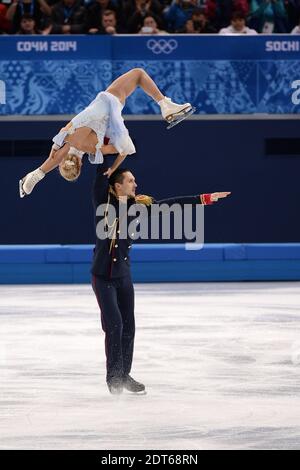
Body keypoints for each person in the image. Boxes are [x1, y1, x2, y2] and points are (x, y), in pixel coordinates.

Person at [92, 163, 231, 394]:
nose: (135, 184)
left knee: (129, 327)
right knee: (114, 326)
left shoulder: (139, 206)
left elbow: (171, 204)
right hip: (102, 277)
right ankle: (114, 379)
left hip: (123, 275)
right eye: (130, 181)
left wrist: (203, 199)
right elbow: (100, 173)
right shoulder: (103, 203)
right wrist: (113, 148)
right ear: (118, 186)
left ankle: (124, 375)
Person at [19, 68, 195, 197]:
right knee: (139, 73)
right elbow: (62, 141)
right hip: (98, 109)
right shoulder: (70, 141)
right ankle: (165, 105)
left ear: (81, 166)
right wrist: (55, 146)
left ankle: (166, 107)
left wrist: (113, 169)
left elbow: (123, 150)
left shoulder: (93, 149)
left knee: (139, 76)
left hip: (107, 112)